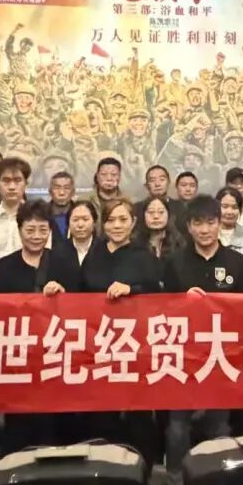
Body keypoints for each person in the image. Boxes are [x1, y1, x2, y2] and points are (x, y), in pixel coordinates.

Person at [0, 200, 79, 474]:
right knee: (18, 420)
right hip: (17, 354)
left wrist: (63, 295)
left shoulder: (63, 263)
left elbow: (82, 307)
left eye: (42, 230)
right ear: (19, 229)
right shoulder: (5, 265)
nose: (36, 236)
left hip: (54, 353)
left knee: (53, 422)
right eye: (30, 230)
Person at [160, 195, 243, 485]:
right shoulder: (174, 262)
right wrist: (183, 302)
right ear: (189, 226)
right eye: (198, 223)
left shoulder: (237, 262)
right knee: (177, 427)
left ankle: (220, 482)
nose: (205, 229)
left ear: (220, 223)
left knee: (219, 426)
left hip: (223, 358)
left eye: (211, 222)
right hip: (184, 357)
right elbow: (161, 309)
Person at [80, 198, 160, 465]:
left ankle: (143, 470)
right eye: (111, 220)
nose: (117, 225)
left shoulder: (144, 255)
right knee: (102, 412)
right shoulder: (94, 254)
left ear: (133, 222)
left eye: (123, 219)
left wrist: (131, 290)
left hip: (135, 346)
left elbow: (159, 294)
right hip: (99, 346)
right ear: (103, 224)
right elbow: (80, 293)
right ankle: (105, 470)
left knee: (138, 413)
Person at [133, 196, 184, 270]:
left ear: (168, 215)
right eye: (151, 212)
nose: (156, 216)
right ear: (143, 215)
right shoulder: (135, 245)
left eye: (161, 212)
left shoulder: (179, 244)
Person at [216, 187, 243, 256]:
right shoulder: (207, 235)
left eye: (234, 207)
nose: (229, 212)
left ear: (240, 210)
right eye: (225, 206)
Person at [46, 171, 75, 239]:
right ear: (50, 191)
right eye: (57, 188)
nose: (61, 193)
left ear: (73, 192)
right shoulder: (42, 214)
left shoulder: (80, 213)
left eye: (66, 188)